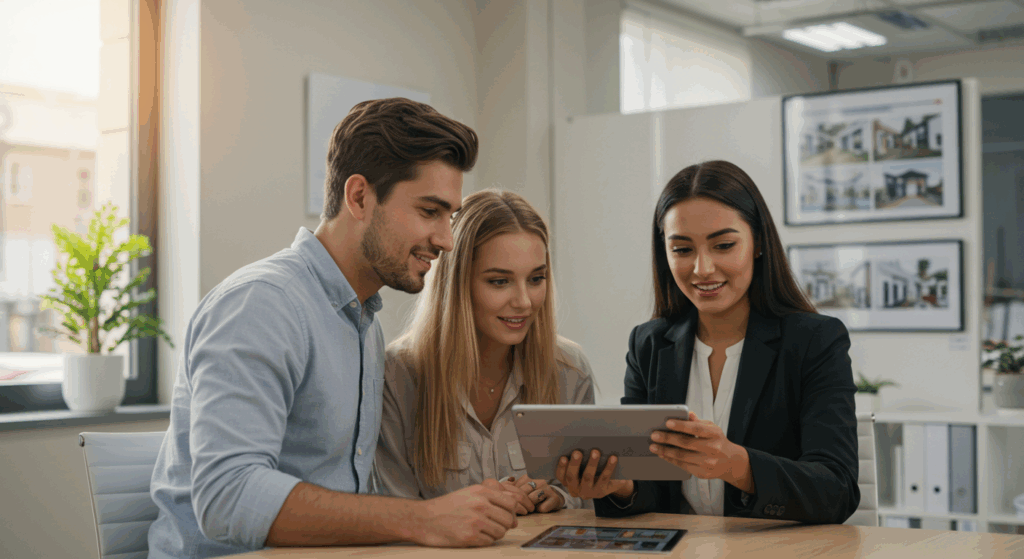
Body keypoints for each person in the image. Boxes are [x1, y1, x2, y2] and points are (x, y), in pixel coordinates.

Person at [148, 98, 523, 559]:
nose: (446, 239)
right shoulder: (263, 305)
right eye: (430, 211)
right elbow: (228, 497)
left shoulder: (363, 323)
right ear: (359, 197)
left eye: (451, 217)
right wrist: (424, 519)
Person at [555, 160, 860, 524]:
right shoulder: (648, 345)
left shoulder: (815, 341)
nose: (702, 269)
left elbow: (837, 490)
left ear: (758, 243)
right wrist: (619, 486)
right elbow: (650, 488)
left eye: (724, 245)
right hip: (681, 547)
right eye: (682, 250)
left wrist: (737, 465)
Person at [376, 189, 595, 514]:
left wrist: (559, 497)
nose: (524, 301)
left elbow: (588, 499)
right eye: (499, 282)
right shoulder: (398, 374)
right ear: (457, 284)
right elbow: (396, 513)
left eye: (536, 278)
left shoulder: (570, 370)